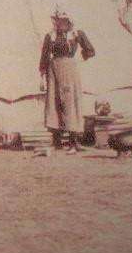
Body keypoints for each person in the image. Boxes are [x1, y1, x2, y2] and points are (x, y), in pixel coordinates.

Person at [39, 9, 95, 153]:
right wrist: (42, 76)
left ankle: (73, 142)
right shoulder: (50, 36)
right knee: (54, 102)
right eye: (59, 20)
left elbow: (90, 50)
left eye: (64, 20)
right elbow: (44, 56)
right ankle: (56, 141)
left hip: (69, 70)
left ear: (69, 21)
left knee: (70, 103)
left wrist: (79, 59)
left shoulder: (76, 34)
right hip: (53, 71)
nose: (61, 23)